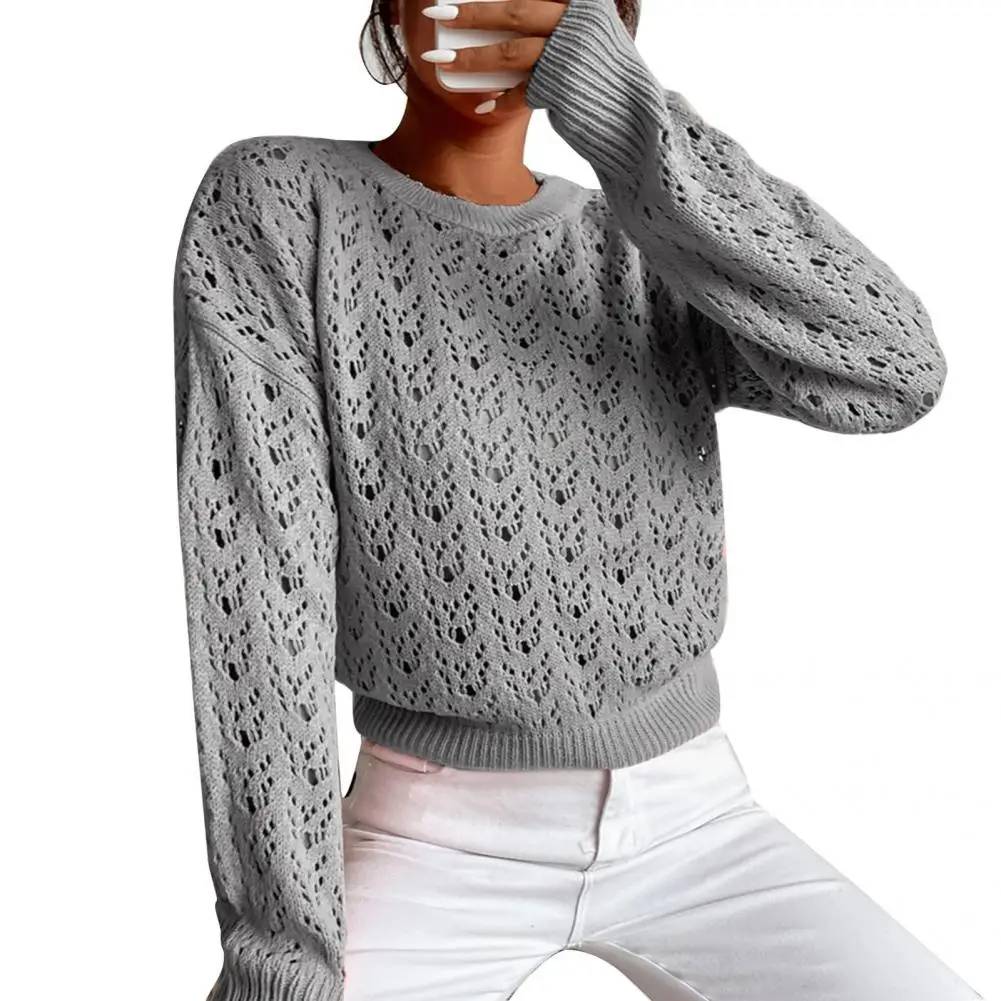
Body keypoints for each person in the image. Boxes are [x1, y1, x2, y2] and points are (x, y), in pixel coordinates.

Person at [172, 1, 983, 999]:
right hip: (432, 835)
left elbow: (892, 369)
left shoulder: (648, 239)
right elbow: (258, 597)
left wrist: (626, 121)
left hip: (694, 818)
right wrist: (283, 943)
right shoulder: (281, 202)